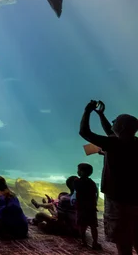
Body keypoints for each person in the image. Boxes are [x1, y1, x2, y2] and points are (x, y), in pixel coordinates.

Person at [80, 100, 138, 255]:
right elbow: (113, 132)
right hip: (135, 199)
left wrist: (87, 111)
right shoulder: (134, 143)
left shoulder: (114, 144)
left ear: (122, 127)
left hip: (118, 201)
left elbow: (84, 132)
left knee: (123, 241)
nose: (113, 122)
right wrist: (101, 115)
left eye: (116, 121)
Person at [73, 163, 101, 249]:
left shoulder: (77, 182)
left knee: (82, 226)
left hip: (81, 208)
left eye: (78, 170)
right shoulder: (92, 183)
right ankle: (95, 242)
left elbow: (75, 188)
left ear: (81, 172)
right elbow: (96, 194)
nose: (77, 171)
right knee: (93, 226)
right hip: (91, 208)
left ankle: (83, 241)